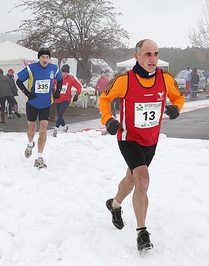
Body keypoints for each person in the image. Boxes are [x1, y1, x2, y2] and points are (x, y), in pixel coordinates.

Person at [99, 39, 185, 251]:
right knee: (143, 180)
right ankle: (142, 232)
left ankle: (114, 204)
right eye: (148, 54)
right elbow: (104, 99)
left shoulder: (165, 79)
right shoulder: (124, 80)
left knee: (132, 178)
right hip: (129, 138)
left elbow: (178, 97)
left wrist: (177, 108)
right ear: (137, 56)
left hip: (151, 140)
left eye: (155, 54)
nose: (152, 59)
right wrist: (108, 119)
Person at [16, 47, 63, 169]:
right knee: (31, 130)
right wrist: (27, 93)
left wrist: (57, 91)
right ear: (39, 58)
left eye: (47, 57)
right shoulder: (31, 68)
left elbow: (60, 79)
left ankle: (39, 157)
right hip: (32, 103)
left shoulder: (54, 69)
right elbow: (18, 81)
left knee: (43, 130)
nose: (45, 59)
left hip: (46, 104)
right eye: (43, 57)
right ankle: (30, 144)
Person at [52, 64, 82, 137]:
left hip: (66, 99)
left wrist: (77, 95)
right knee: (59, 114)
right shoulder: (57, 78)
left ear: (68, 72)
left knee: (60, 113)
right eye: (63, 72)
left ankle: (55, 129)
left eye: (65, 72)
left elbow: (79, 86)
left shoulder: (71, 79)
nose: (64, 74)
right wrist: (53, 90)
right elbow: (52, 84)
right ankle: (65, 127)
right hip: (58, 98)